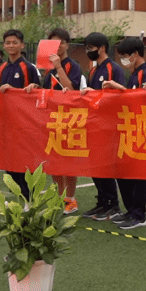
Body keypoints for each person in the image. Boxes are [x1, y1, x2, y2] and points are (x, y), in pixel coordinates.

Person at [28, 28, 83, 214]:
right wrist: (35, 87)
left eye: (60, 43)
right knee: (53, 162)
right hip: (50, 119)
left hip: (68, 119)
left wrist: (59, 66)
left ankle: (71, 199)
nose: (57, 47)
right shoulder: (48, 68)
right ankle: (61, 197)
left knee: (68, 162)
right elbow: (46, 92)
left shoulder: (72, 66)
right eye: (52, 43)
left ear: (67, 45)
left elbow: (71, 90)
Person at [101, 36, 146, 230]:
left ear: (136, 54)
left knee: (138, 175)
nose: (123, 59)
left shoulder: (145, 73)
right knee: (124, 173)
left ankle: (140, 214)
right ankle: (131, 210)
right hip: (128, 127)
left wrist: (118, 88)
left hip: (140, 128)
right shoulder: (134, 72)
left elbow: (141, 99)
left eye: (125, 55)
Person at [79, 33, 126, 222]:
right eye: (86, 48)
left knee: (106, 167)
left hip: (110, 125)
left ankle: (113, 204)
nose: (88, 51)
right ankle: (102, 201)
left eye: (91, 48)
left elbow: (121, 96)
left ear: (102, 48)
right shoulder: (93, 71)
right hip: (94, 124)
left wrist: (96, 94)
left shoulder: (113, 69)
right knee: (95, 166)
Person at [0, 29, 41, 197]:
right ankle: (18, 196)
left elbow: (38, 92)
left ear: (22, 45)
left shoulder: (28, 68)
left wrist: (14, 91)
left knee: (25, 162)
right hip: (6, 123)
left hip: (25, 124)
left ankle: (30, 198)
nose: (11, 45)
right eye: (8, 42)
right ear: (4, 46)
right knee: (9, 162)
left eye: (14, 42)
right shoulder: (1, 69)